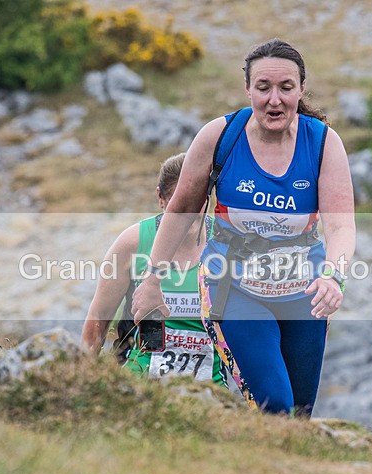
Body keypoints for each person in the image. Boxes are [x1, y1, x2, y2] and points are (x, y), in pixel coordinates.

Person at [131, 38, 355, 416]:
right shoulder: (220, 136)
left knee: (299, 412)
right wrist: (152, 279)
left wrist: (334, 277)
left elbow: (341, 226)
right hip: (233, 289)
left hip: (304, 292)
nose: (275, 100)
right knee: (275, 406)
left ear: (301, 88)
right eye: (263, 88)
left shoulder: (322, 143)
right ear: (247, 88)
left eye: (286, 88)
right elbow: (183, 208)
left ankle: (275, 473)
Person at [80, 153, 226, 386]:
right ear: (161, 198)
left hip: (211, 387)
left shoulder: (226, 242)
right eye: (178, 203)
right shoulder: (133, 242)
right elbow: (98, 318)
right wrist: (83, 383)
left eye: (196, 200)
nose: (188, 212)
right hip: (138, 383)